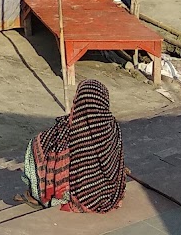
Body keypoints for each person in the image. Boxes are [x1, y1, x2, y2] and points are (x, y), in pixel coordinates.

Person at [19, 79, 127, 212]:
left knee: (37, 145)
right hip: (109, 193)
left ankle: (38, 194)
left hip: (82, 198)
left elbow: (45, 143)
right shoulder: (112, 126)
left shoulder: (73, 129)